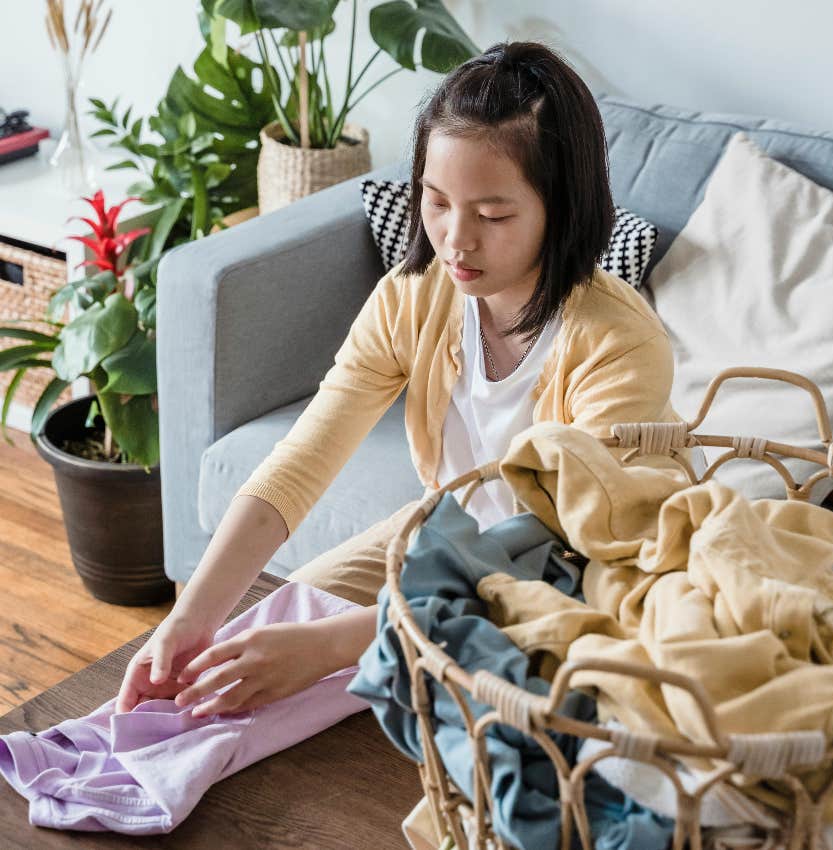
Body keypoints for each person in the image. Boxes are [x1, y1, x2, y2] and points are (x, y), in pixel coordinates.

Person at [116, 40, 693, 718]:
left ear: (561, 208)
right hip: (442, 538)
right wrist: (190, 617)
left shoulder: (620, 345)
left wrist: (335, 646)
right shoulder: (414, 296)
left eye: (493, 214)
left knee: (377, 682)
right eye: (437, 201)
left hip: (578, 585)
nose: (454, 240)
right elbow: (302, 461)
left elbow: (558, 556)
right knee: (249, 656)